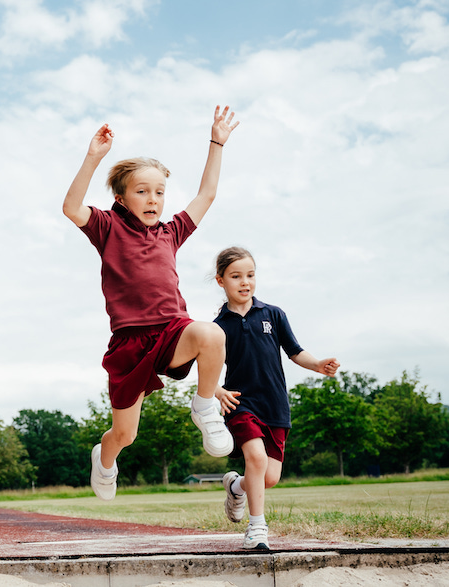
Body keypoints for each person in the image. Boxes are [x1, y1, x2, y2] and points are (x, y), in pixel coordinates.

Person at [59, 107, 242, 500]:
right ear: (122, 198)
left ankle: (204, 407)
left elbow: (207, 194)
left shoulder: (171, 232)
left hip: (173, 332)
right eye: (142, 191)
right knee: (125, 434)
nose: (153, 199)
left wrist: (217, 143)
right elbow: (71, 208)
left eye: (159, 192)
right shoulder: (107, 227)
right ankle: (104, 460)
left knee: (211, 333)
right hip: (129, 343)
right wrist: (94, 157)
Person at [213, 247, 340, 550]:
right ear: (221, 281)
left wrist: (317, 364)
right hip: (241, 403)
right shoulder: (218, 327)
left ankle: (235, 486)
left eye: (250, 275)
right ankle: (257, 529)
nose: (245, 282)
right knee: (255, 458)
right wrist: (217, 391)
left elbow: (295, 351)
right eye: (236, 276)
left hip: (275, 404)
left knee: (268, 477)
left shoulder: (274, 314)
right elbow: (208, 368)